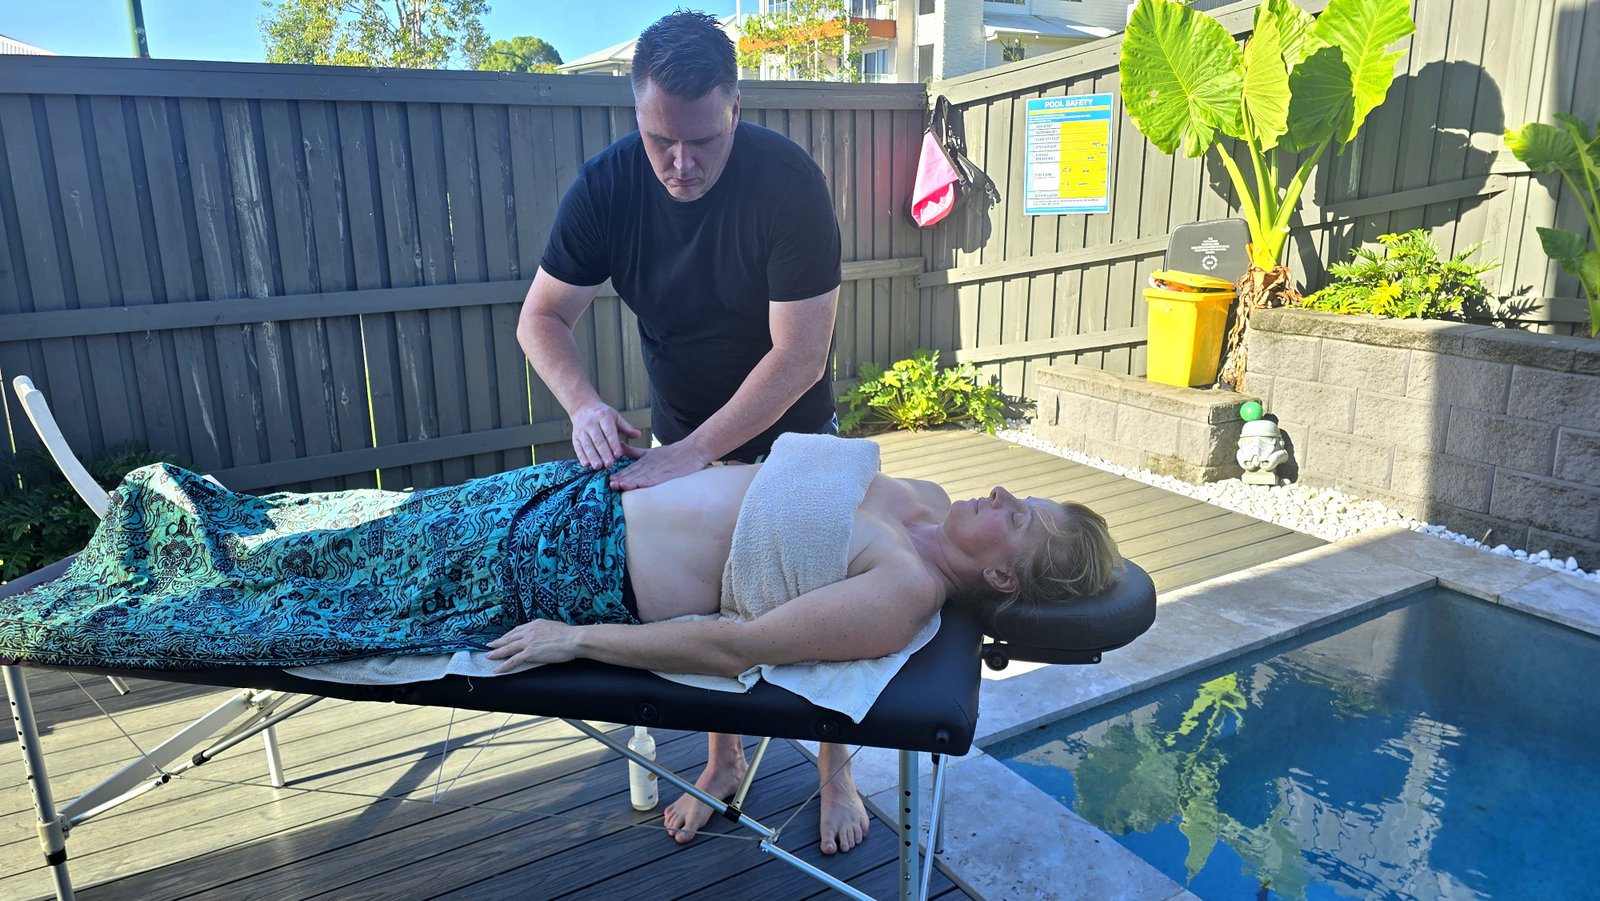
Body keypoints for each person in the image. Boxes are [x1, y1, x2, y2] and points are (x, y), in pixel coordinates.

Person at [513, 9, 850, 852]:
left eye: (701, 139)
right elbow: (542, 317)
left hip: (795, 435)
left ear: (734, 107)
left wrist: (696, 453)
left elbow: (800, 357)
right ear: (636, 109)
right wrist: (586, 404)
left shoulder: (788, 183)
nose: (681, 162)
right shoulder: (610, 186)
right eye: (661, 138)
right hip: (680, 431)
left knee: (820, 608)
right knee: (705, 604)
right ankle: (722, 761)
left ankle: (836, 768)